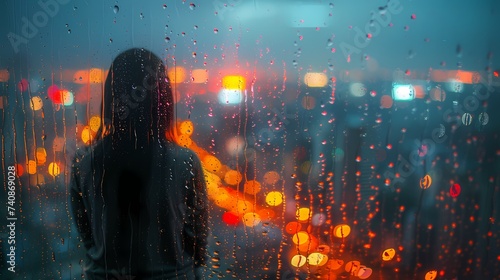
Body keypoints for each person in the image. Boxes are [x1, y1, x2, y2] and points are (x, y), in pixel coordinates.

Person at [69, 48, 208, 279]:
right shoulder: (185, 162)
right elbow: (197, 241)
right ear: (163, 99)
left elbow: (88, 237)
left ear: (111, 97)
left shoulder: (85, 162)